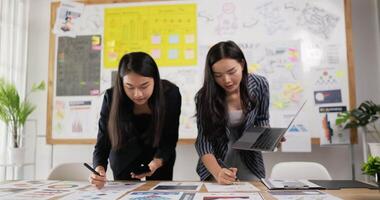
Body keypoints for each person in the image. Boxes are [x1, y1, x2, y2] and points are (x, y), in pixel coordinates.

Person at [90, 52, 181, 189]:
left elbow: (169, 138)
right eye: (130, 87)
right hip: (124, 153)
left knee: (161, 194)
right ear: (122, 83)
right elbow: (103, 142)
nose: (137, 94)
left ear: (155, 79)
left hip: (159, 155)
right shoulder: (112, 97)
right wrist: (99, 169)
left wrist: (154, 164)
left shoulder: (170, 94)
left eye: (144, 86)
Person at [195, 41, 277, 184]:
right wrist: (218, 172)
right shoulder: (204, 97)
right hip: (216, 162)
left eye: (232, 72)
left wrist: (269, 137)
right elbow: (204, 141)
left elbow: (262, 119)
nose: (226, 80)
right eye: (218, 75)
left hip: (250, 161)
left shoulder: (260, 85)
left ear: (242, 64)